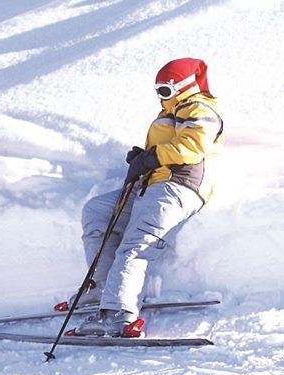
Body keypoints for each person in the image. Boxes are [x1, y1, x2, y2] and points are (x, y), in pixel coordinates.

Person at [75, 58, 224, 336]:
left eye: (165, 90)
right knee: (97, 213)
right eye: (157, 90)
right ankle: (100, 290)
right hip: (153, 186)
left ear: (184, 86)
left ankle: (119, 313)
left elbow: (192, 146)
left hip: (178, 187)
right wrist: (144, 157)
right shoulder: (173, 110)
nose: (160, 96)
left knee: (136, 244)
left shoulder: (199, 109)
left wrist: (152, 157)